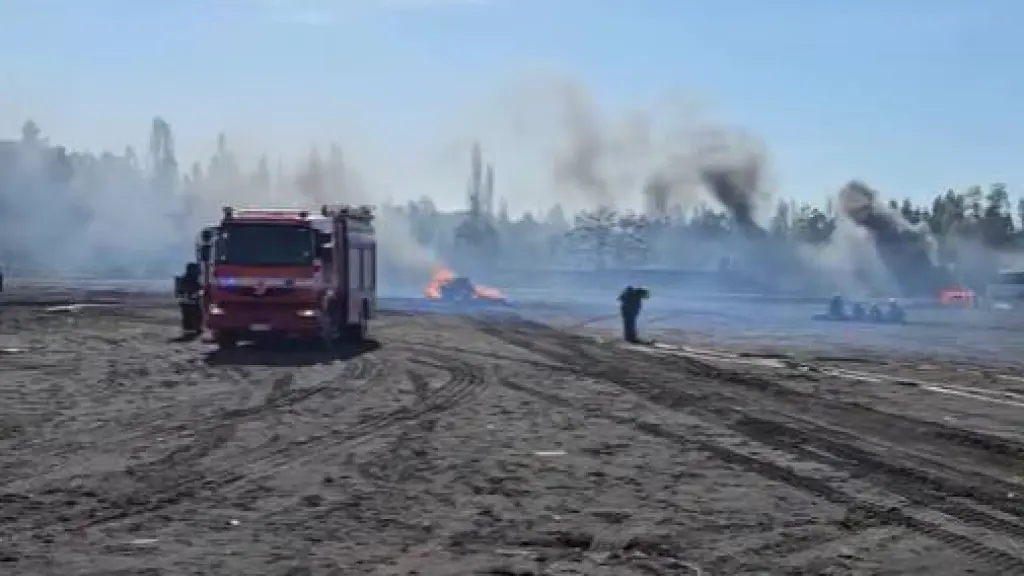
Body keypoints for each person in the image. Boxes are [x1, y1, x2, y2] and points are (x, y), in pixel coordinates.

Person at [175, 263, 203, 335]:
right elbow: (190, 289)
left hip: (189, 301)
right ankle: (192, 329)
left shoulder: (189, 279)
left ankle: (192, 329)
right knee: (194, 315)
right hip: (188, 301)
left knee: (194, 315)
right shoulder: (187, 280)